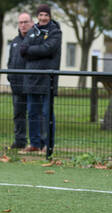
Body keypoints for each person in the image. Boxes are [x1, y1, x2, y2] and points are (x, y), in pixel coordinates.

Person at [19, 4, 61, 153]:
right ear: (37, 16)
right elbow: (22, 50)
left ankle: (47, 145)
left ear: (50, 16)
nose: (43, 18)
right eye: (40, 15)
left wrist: (31, 51)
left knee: (46, 113)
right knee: (32, 112)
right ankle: (35, 143)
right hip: (31, 80)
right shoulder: (32, 31)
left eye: (46, 15)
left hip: (47, 80)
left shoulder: (55, 32)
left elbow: (48, 49)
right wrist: (37, 51)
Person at [7, 12, 34, 149]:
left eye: (25, 22)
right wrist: (10, 77)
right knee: (18, 115)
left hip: (31, 86)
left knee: (34, 115)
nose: (23, 25)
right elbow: (10, 61)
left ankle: (37, 143)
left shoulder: (35, 40)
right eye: (20, 22)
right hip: (16, 86)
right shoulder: (14, 42)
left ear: (32, 23)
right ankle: (19, 141)